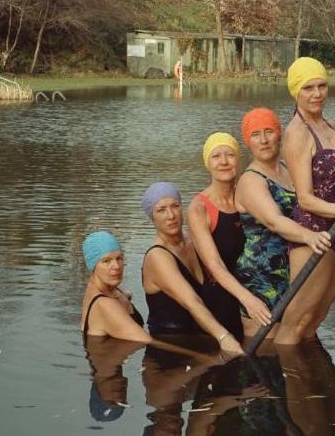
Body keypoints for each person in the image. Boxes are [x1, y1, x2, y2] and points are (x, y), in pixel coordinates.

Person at [276, 57, 335, 345]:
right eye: (308, 88)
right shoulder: (296, 134)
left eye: (322, 86)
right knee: (296, 321)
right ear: (296, 92)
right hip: (316, 233)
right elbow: (305, 198)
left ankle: (310, 382)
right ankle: (280, 380)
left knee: (317, 317)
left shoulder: (330, 125)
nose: (317, 94)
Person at [234, 108, 332, 337]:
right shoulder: (250, 180)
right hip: (262, 277)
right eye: (256, 134)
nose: (264, 140)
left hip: (292, 268)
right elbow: (275, 221)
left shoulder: (288, 170)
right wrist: (310, 236)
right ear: (248, 142)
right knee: (267, 347)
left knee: (296, 335)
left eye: (269, 131)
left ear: (279, 134)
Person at [141, 182, 244, 354]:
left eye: (175, 206)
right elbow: (192, 302)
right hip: (175, 345)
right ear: (152, 217)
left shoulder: (193, 241)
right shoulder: (157, 257)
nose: (171, 215)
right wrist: (224, 338)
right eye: (161, 210)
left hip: (203, 335)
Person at [187, 132, 272, 342]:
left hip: (260, 292)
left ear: (238, 159)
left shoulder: (250, 195)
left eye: (230, 155)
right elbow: (214, 264)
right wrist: (248, 300)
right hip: (222, 302)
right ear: (207, 163)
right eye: (216, 156)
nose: (224, 162)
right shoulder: (199, 208)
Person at [80, 230, 149, 343]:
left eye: (119, 258)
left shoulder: (109, 289)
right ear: (93, 265)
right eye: (106, 261)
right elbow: (148, 341)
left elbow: (122, 296)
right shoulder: (105, 304)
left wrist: (126, 296)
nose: (116, 266)